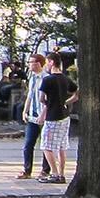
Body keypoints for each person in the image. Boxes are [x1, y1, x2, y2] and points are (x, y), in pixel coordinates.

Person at [35, 55, 79, 184]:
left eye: (47, 62)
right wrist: (66, 101)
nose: (46, 65)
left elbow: (41, 98)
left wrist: (49, 103)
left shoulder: (48, 80)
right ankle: (61, 173)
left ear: (52, 62)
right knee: (61, 145)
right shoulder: (66, 79)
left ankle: (54, 173)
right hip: (65, 116)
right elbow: (77, 93)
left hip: (52, 116)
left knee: (46, 145)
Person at [18, 53, 51, 179]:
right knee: (28, 144)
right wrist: (25, 111)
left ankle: (45, 170)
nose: (29, 64)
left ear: (38, 63)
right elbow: (30, 96)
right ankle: (27, 170)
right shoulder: (32, 78)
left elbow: (48, 100)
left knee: (45, 144)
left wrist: (43, 115)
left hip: (44, 115)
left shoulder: (46, 78)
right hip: (33, 114)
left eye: (31, 62)